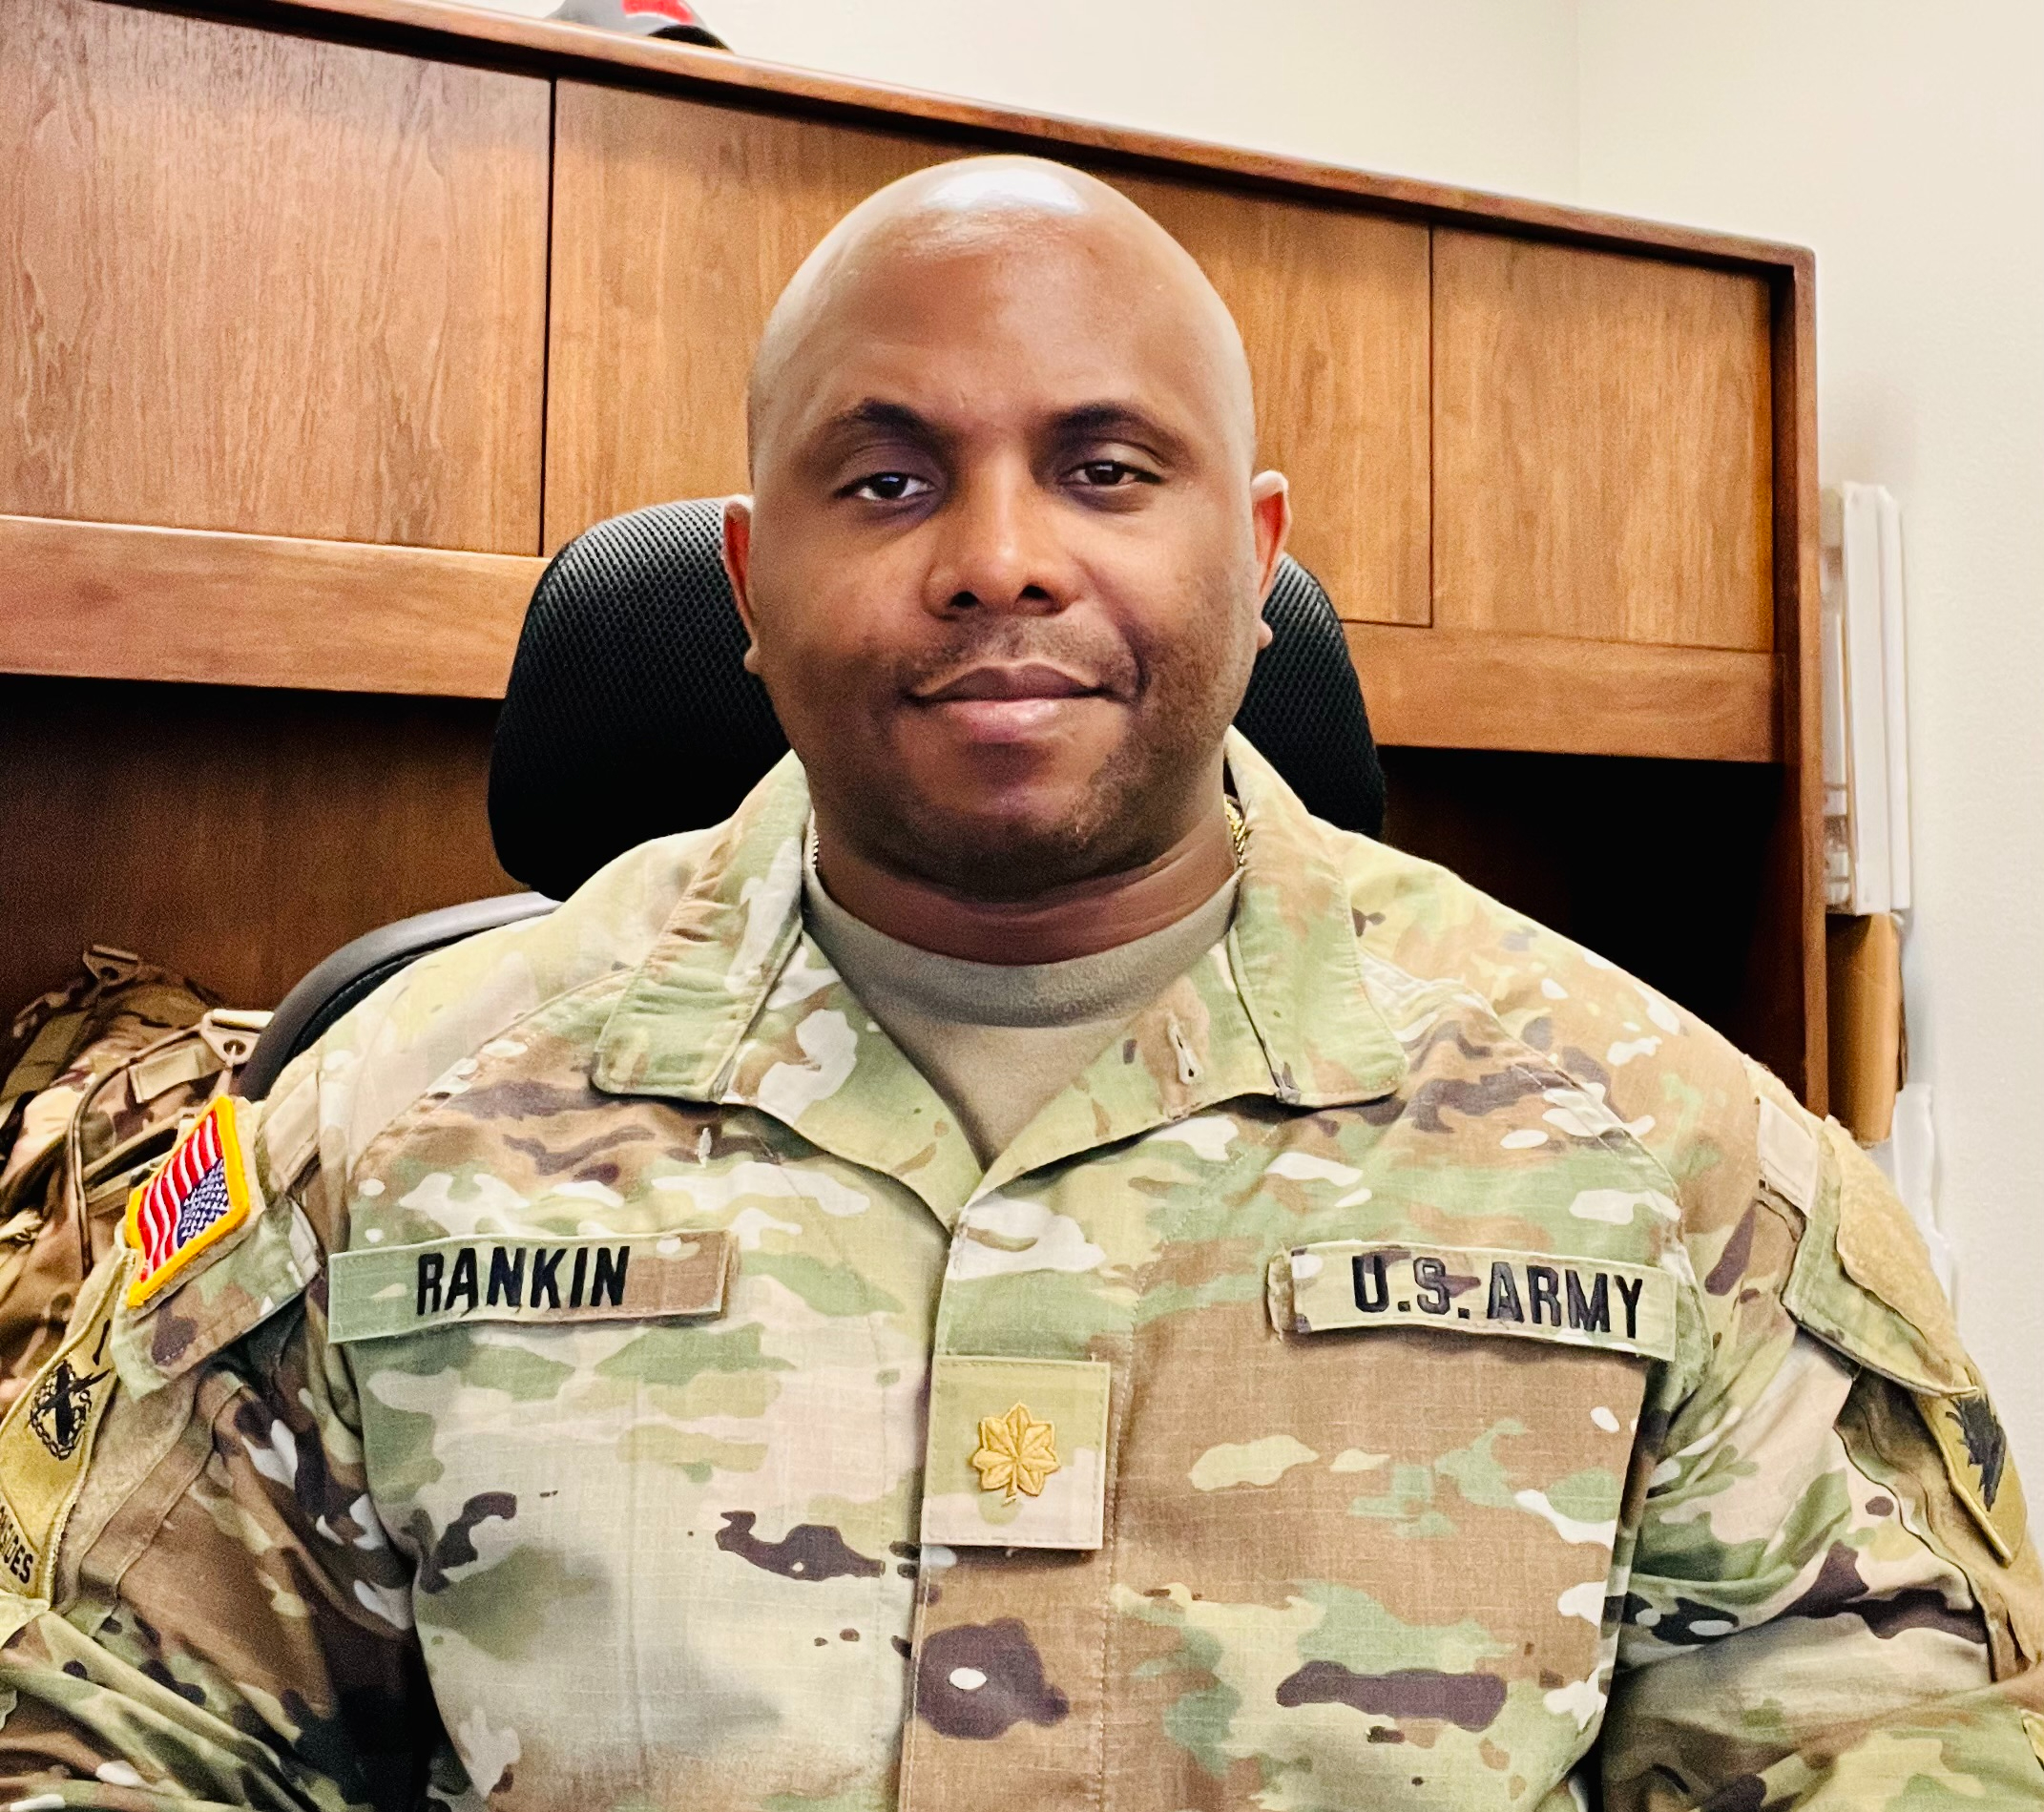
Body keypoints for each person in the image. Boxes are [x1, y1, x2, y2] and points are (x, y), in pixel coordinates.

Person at [0, 155, 2036, 1812]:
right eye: (888, 480)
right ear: (750, 582)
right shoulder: (374, 1134)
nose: (999, 557)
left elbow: (1897, 1755)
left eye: (1106, 468)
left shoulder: (1676, 1164)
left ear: (1253, 561)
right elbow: (95, 1729)